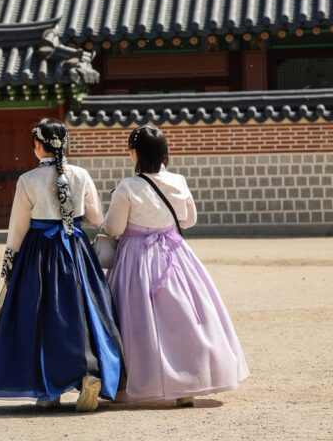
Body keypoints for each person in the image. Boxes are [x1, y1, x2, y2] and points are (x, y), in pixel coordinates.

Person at [0, 118, 123, 412]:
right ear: (64, 144)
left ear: (38, 145)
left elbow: (18, 228)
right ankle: (89, 374)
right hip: (77, 250)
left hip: (40, 252)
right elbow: (95, 220)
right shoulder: (81, 174)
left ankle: (48, 390)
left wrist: (8, 265)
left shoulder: (27, 180)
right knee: (84, 313)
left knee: (42, 316)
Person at [104, 125, 249, 404]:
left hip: (136, 257)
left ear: (135, 153)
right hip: (174, 254)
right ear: (163, 154)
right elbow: (188, 220)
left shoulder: (128, 186)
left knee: (135, 319)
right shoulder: (179, 181)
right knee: (186, 317)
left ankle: (136, 383)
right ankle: (189, 384)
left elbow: (114, 227)